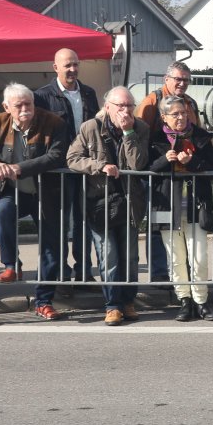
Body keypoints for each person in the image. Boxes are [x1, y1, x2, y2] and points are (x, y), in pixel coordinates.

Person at [0, 83, 68, 321]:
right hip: (13, 191)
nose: (25, 109)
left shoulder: (53, 122)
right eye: (19, 105)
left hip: (47, 193)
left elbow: (57, 155)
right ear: (6, 107)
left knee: (50, 248)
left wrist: (20, 168)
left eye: (29, 103)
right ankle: (11, 265)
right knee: (1, 213)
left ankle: (43, 301)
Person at [67, 87, 149, 325]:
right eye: (120, 106)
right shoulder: (90, 127)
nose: (126, 110)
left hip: (129, 202)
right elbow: (72, 159)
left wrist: (128, 132)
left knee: (130, 257)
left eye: (130, 106)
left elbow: (137, 163)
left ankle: (128, 302)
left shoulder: (140, 128)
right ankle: (112, 305)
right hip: (99, 203)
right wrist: (99, 166)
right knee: (109, 256)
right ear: (108, 107)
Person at [146, 95, 213, 322]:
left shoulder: (201, 137)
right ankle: (184, 301)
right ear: (164, 117)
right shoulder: (155, 139)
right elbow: (146, 169)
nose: (180, 117)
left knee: (199, 257)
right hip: (167, 205)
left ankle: (201, 301)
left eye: (184, 113)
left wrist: (192, 162)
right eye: (175, 114)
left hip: (197, 206)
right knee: (176, 258)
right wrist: (164, 160)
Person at [34, 48, 99, 284]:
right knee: (60, 223)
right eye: (67, 65)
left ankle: (84, 273)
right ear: (55, 68)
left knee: (84, 222)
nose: (73, 69)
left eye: (76, 64)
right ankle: (60, 275)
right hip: (58, 171)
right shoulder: (42, 96)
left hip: (85, 169)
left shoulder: (89, 93)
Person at [135, 61, 200, 283]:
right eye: (178, 79)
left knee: (183, 225)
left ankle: (181, 274)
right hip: (158, 175)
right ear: (167, 79)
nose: (182, 83)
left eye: (186, 80)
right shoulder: (152, 101)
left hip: (184, 176)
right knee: (158, 224)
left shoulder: (190, 103)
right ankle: (160, 274)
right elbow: (139, 135)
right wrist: (157, 160)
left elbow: (197, 134)